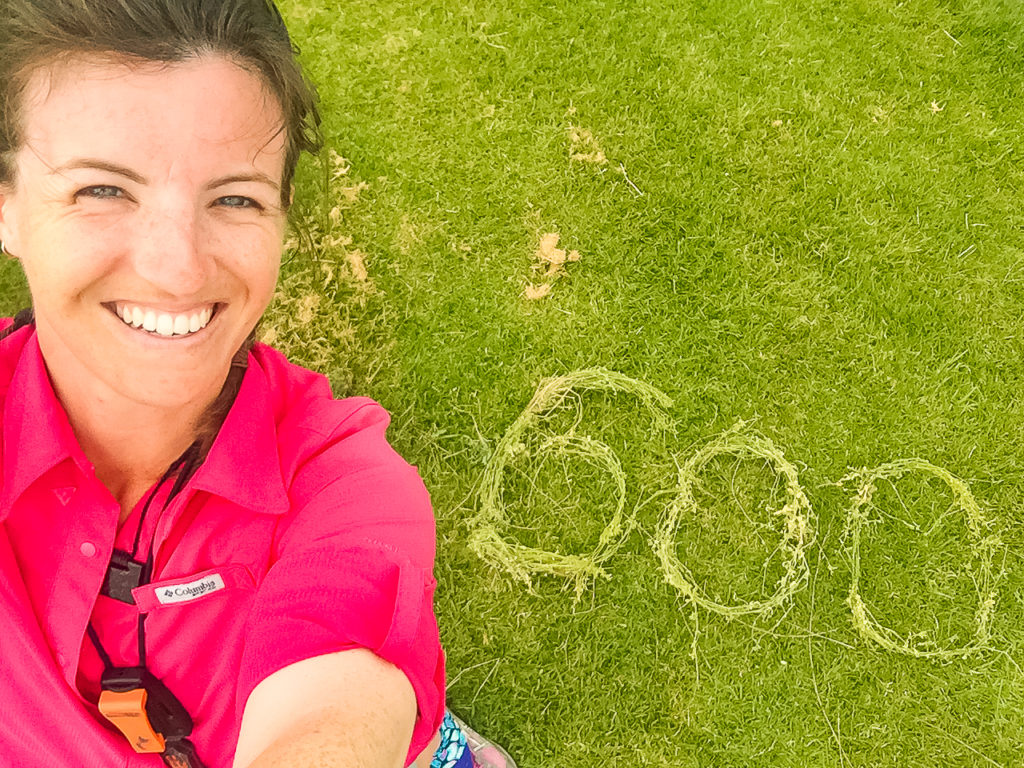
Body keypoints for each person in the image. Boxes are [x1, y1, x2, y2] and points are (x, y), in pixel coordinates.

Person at [0, 1, 515, 767]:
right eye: (103, 190)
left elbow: (334, 705)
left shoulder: (345, 485)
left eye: (235, 198)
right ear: (7, 207)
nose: (177, 269)